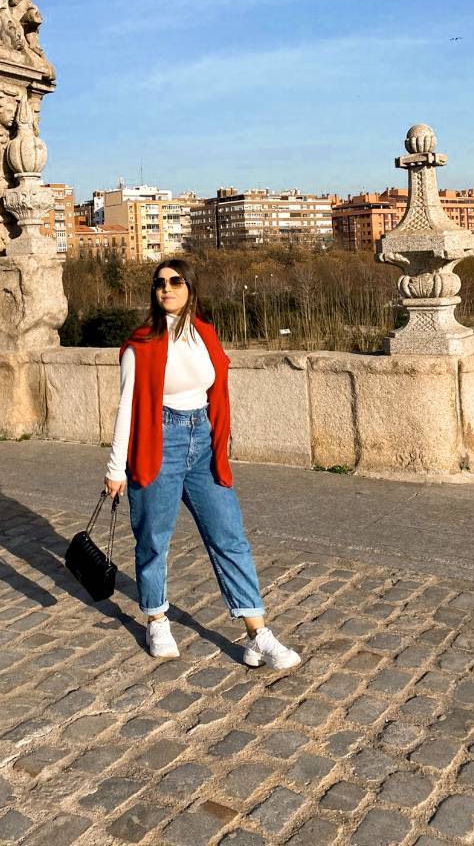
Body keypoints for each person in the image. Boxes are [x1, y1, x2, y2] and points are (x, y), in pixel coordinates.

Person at [104, 258, 301, 670]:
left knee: (230, 537)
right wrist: (115, 468)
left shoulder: (205, 334)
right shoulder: (141, 344)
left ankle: (256, 633)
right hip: (159, 442)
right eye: (160, 283)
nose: (167, 288)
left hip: (204, 442)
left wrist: (220, 440)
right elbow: (126, 407)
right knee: (153, 539)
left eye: (176, 281)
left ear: (190, 287)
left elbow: (218, 392)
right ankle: (156, 618)